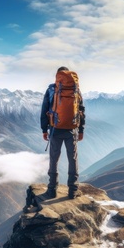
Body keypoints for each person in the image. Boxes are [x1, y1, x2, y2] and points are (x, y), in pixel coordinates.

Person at [40, 66, 85, 199]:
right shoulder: (76, 90)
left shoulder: (52, 89)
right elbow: (81, 110)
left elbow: (44, 110)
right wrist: (81, 129)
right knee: (73, 158)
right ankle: (73, 190)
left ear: (58, 76)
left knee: (54, 159)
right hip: (72, 129)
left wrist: (44, 129)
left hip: (55, 129)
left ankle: (52, 189)